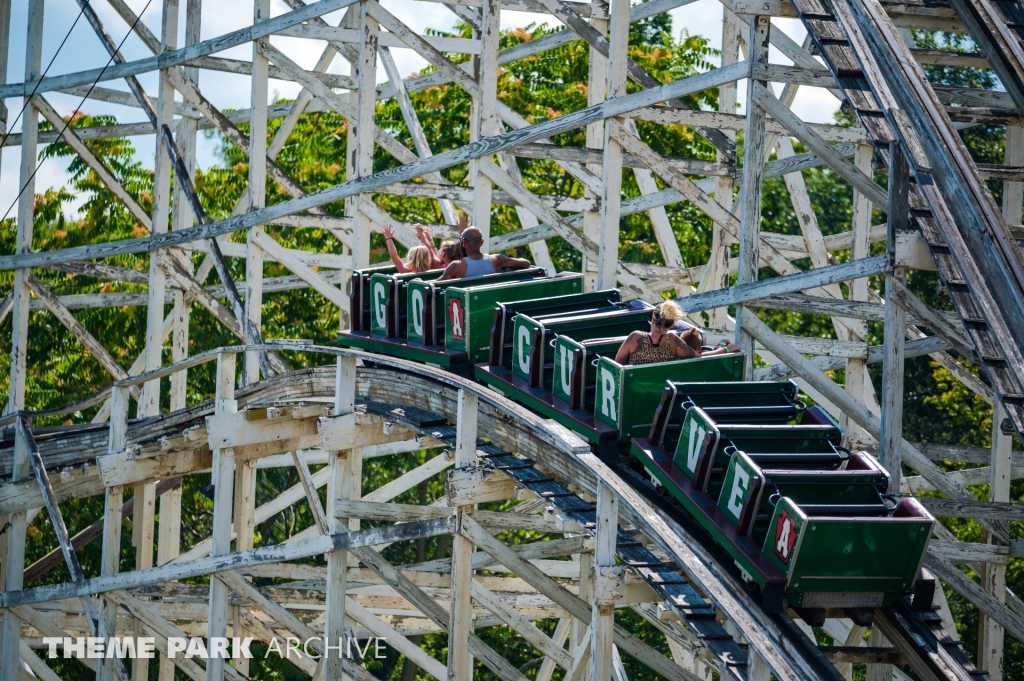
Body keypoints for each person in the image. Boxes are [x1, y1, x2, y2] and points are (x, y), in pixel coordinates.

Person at [614, 301, 740, 365]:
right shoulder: (673, 341)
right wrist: (725, 350)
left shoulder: (634, 337)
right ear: (672, 324)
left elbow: (617, 366)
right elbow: (700, 357)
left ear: (652, 320)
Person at [437, 226, 531, 280]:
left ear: (464, 243)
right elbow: (526, 263)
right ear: (482, 242)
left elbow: (435, 285)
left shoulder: (456, 266)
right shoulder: (497, 260)